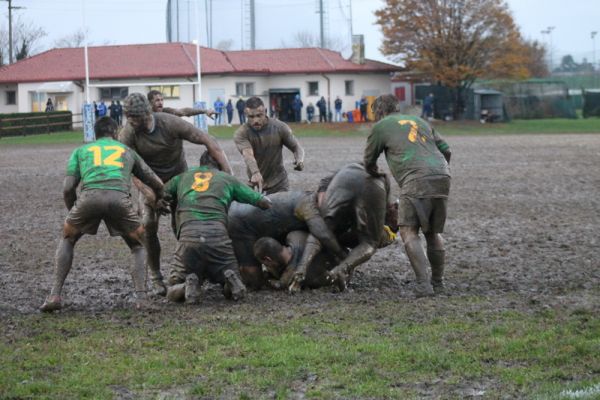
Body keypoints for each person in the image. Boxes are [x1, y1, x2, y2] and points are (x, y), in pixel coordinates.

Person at [39, 117, 165, 312]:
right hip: (119, 200)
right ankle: (141, 298)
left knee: (68, 238)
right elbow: (155, 181)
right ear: (115, 133)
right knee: (139, 245)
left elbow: (67, 188)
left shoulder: (80, 151)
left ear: (94, 134)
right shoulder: (127, 151)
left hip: (89, 198)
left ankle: (55, 294)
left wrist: (73, 210)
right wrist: (160, 198)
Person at [119, 92, 233, 296]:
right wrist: (149, 194)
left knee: (183, 225)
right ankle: (156, 278)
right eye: (127, 116)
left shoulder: (170, 123)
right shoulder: (128, 133)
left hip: (178, 180)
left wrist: (228, 175)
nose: (130, 121)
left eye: (134, 117)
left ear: (146, 114)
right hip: (149, 184)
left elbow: (208, 140)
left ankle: (192, 269)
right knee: (148, 226)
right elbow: (128, 167)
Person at [364, 94, 451, 297]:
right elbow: (447, 150)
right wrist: (440, 172)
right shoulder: (420, 121)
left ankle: (423, 285)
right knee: (433, 232)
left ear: (379, 111)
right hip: (442, 175)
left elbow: (368, 161)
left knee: (408, 230)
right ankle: (438, 283)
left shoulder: (381, 126)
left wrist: (375, 174)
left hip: (415, 178)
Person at [163, 151, 272, 304]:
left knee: (171, 289)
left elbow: (161, 192)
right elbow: (263, 202)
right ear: (220, 164)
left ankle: (185, 287)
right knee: (229, 280)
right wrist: (262, 197)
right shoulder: (228, 179)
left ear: (201, 164)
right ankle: (231, 281)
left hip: (189, 238)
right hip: (218, 238)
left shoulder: (182, 177)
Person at [290, 163, 398, 292]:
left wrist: (324, 213)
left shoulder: (337, 180)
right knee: (370, 242)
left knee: (322, 228)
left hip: (347, 175)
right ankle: (338, 271)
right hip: (369, 184)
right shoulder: (379, 186)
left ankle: (300, 271)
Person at [228, 191, 347, 290]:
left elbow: (323, 236)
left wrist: (345, 260)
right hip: (242, 219)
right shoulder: (298, 227)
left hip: (245, 214)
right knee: (253, 278)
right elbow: (322, 235)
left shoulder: (296, 230)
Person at [233, 96, 305, 194]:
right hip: (255, 183)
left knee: (282, 209)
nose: (256, 120)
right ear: (245, 114)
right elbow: (248, 155)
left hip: (279, 183)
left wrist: (299, 160)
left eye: (259, 115)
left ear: (266, 111)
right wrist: (255, 172)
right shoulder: (242, 133)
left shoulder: (279, 127)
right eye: (251, 117)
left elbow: (296, 147)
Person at [147, 90, 216, 119]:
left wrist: (205, 111)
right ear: (150, 102)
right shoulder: (145, 115)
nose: (160, 103)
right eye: (157, 100)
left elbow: (184, 112)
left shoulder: (167, 111)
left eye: (162, 100)